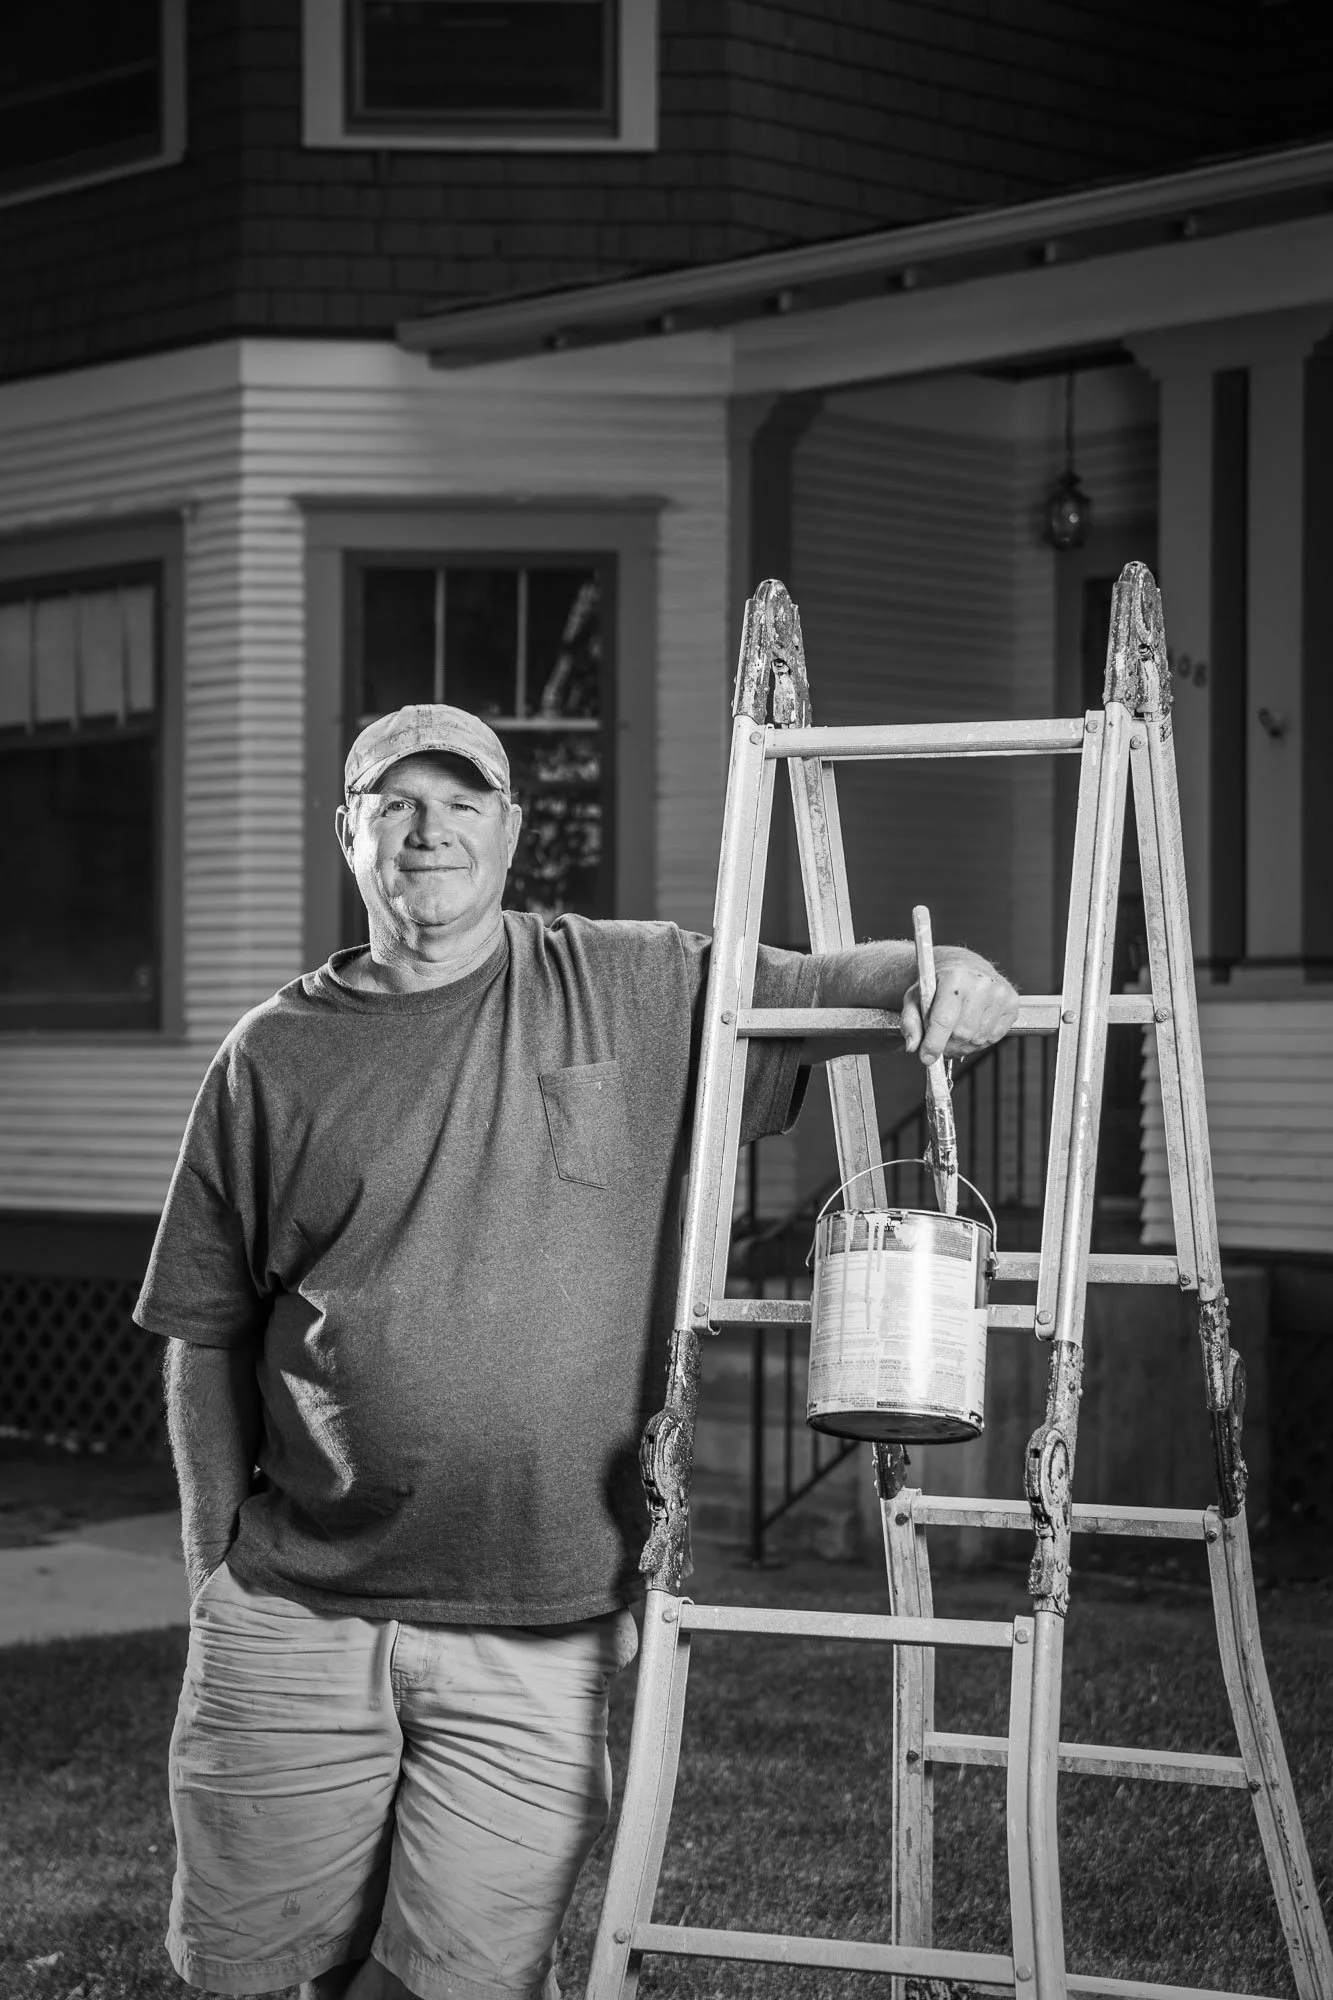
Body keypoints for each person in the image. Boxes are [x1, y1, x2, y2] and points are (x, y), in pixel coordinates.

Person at [137, 702, 1018, 2000]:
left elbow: (830, 986)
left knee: (465, 1983)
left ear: (511, 830)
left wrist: (941, 980)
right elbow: (204, 1331)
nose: (428, 829)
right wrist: (211, 1559)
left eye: (461, 801)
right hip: (296, 1610)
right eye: (396, 803)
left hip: (539, 1626)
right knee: (253, 1977)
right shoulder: (270, 1057)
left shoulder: (630, 981)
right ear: (349, 832)